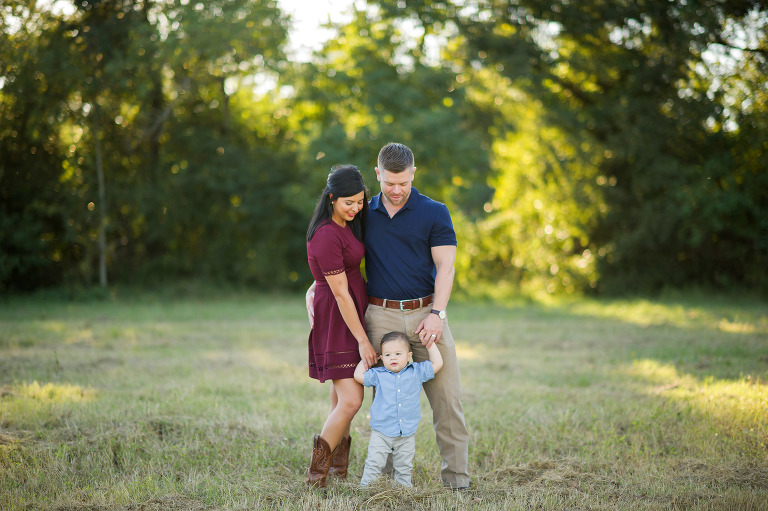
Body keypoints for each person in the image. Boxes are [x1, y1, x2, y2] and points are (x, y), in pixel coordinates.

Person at [307, 142, 471, 490]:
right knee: (385, 404)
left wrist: (438, 314)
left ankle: (457, 483)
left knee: (448, 402)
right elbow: (335, 253)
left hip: (427, 314)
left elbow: (446, 267)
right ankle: (391, 483)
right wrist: (314, 288)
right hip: (379, 316)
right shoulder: (364, 212)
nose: (396, 191)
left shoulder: (435, 212)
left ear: (414, 173)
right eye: (389, 183)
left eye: (404, 183)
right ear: (378, 175)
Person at [305, 164, 379, 488]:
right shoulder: (325, 234)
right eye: (349, 202)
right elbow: (339, 294)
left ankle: (338, 472)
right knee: (351, 400)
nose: (356, 208)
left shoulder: (348, 225)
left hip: (351, 311)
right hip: (339, 318)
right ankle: (315, 477)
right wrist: (363, 340)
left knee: (340, 401)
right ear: (332, 197)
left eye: (360, 202)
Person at [354, 331, 443, 488]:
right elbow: (358, 376)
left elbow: (437, 364)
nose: (393, 358)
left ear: (408, 356)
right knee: (374, 462)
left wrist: (430, 344)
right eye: (387, 355)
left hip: (406, 432)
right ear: (381, 357)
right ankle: (365, 488)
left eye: (397, 353)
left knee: (404, 465)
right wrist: (366, 360)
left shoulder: (417, 372)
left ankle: (404, 489)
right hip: (381, 431)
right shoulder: (378, 374)